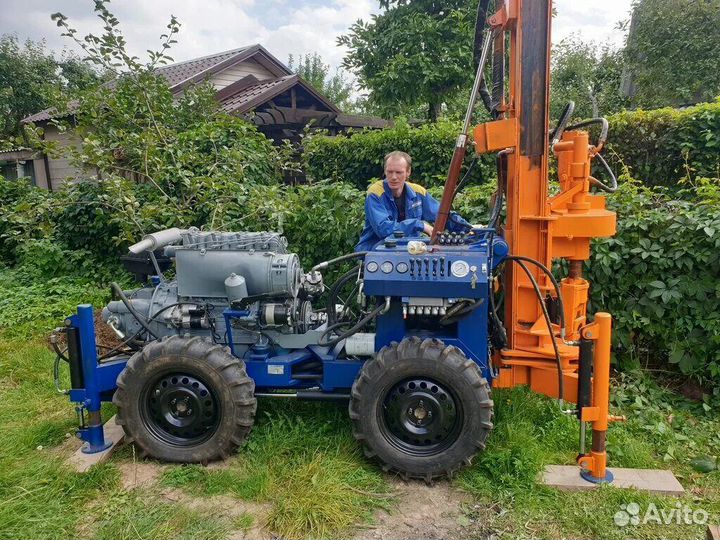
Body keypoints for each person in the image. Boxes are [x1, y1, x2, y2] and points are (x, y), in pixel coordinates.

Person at [355, 151, 471, 251]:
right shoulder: (375, 193)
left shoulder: (418, 192)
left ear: (408, 172)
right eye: (390, 172)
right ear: (385, 171)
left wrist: (470, 229)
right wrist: (418, 224)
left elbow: (443, 216)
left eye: (399, 172)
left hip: (409, 249)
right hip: (375, 250)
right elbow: (383, 229)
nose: (393, 177)